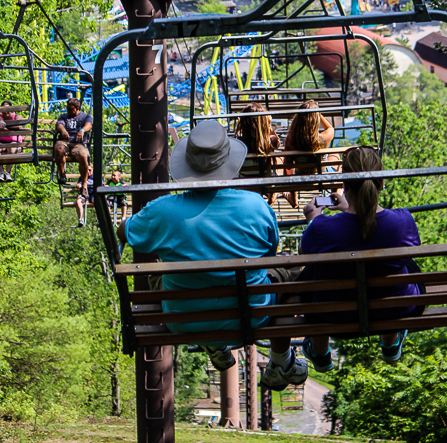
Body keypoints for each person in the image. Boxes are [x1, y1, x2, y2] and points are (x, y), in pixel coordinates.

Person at [116, 120, 308, 391]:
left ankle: (215, 342)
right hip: (251, 314)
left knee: (161, 268)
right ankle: (281, 360)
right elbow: (269, 252)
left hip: (183, 319)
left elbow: (126, 231)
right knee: (289, 273)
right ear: (229, 164)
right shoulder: (256, 206)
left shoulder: (162, 211)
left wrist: (124, 227)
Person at [299, 145, 422, 372]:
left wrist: (313, 220)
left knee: (313, 273)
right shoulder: (402, 222)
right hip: (397, 307)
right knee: (401, 265)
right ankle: (390, 344)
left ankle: (320, 353)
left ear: (344, 185)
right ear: (381, 182)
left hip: (334, 314)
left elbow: (306, 252)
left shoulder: (322, 229)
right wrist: (349, 210)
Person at [283, 99, 336, 208]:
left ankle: (293, 197)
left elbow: (288, 165)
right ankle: (336, 193)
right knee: (335, 156)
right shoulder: (324, 138)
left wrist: (291, 182)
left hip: (300, 177)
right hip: (320, 176)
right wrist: (318, 113)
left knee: (289, 168)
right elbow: (330, 128)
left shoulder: (291, 140)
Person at [54, 98, 93, 191]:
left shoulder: (85, 117)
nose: (68, 111)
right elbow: (59, 125)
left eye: (70, 109)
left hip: (79, 144)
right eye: (67, 109)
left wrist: (82, 130)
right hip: (65, 142)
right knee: (58, 148)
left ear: (77, 108)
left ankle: (84, 184)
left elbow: (89, 124)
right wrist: (63, 130)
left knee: (83, 156)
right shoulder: (63, 117)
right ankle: (62, 175)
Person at [0, 100, 24, 182]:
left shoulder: (16, 116)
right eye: (3, 109)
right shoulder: (0, 117)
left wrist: (5, 127)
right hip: (2, 143)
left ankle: (8, 173)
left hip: (15, 143)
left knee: (11, 148)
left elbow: (18, 126)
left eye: (8, 109)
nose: (6, 112)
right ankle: (1, 172)